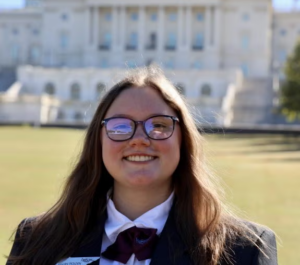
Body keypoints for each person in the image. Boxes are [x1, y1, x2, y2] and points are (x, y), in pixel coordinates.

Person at [6, 65, 277, 265]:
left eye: (158, 125)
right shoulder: (36, 239)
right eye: (120, 126)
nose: (139, 139)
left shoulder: (245, 250)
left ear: (183, 140)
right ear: (97, 142)